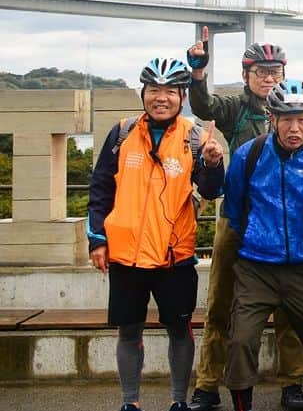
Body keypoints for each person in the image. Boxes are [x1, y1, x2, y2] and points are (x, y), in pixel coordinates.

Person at [186, 29, 303, 411]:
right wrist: (198, 72)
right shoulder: (237, 110)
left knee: (295, 315)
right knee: (222, 306)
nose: (268, 77)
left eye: (274, 71)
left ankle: (292, 382)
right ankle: (208, 383)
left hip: (296, 238)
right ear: (246, 76)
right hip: (247, 228)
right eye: (260, 71)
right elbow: (203, 105)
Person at [87, 58, 225, 411]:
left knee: (179, 329)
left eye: (169, 91)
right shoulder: (122, 133)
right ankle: (130, 402)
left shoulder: (195, 137)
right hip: (125, 252)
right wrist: (97, 240)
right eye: (153, 91)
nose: (160, 98)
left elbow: (210, 191)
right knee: (128, 330)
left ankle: (179, 401)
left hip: (173, 254)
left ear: (181, 95)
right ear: (143, 93)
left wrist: (212, 163)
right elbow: (101, 187)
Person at [222, 80, 303, 411]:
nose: (294, 128)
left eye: (302, 119)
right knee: (240, 340)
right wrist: (253, 238)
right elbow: (234, 208)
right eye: (286, 119)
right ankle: (242, 405)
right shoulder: (248, 154)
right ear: (272, 118)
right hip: (257, 266)